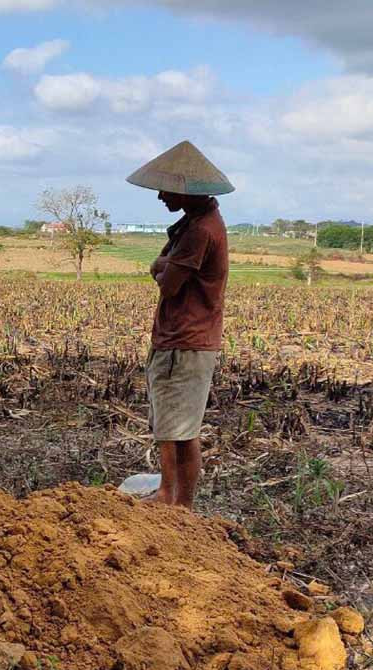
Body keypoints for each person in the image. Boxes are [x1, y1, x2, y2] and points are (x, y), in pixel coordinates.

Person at [125, 140, 233, 510]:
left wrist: (160, 268)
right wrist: (162, 265)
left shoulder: (200, 231)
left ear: (185, 191)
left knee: (172, 428)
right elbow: (162, 266)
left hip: (184, 341)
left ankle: (169, 498)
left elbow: (168, 283)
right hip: (188, 339)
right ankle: (180, 504)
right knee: (181, 428)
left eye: (166, 189)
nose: (160, 196)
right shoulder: (195, 223)